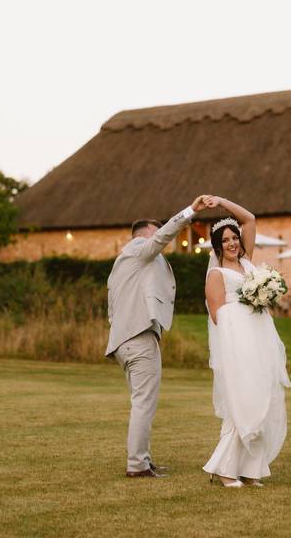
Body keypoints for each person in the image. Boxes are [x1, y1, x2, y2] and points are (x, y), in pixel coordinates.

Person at [107, 194, 211, 478]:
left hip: (123, 341)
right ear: (142, 236)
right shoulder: (140, 247)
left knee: (142, 402)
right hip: (139, 338)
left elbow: (111, 308)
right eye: (157, 234)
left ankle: (143, 459)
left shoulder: (121, 265)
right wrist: (191, 211)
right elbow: (161, 237)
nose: (162, 244)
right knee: (144, 404)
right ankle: (137, 465)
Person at [202, 196, 291, 488]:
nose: (232, 243)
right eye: (225, 240)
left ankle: (251, 469)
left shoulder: (247, 263)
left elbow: (250, 219)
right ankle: (225, 469)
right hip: (238, 347)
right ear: (218, 246)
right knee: (243, 404)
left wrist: (221, 202)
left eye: (234, 238)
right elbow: (218, 316)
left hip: (260, 342)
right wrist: (248, 302)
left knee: (262, 401)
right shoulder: (217, 274)